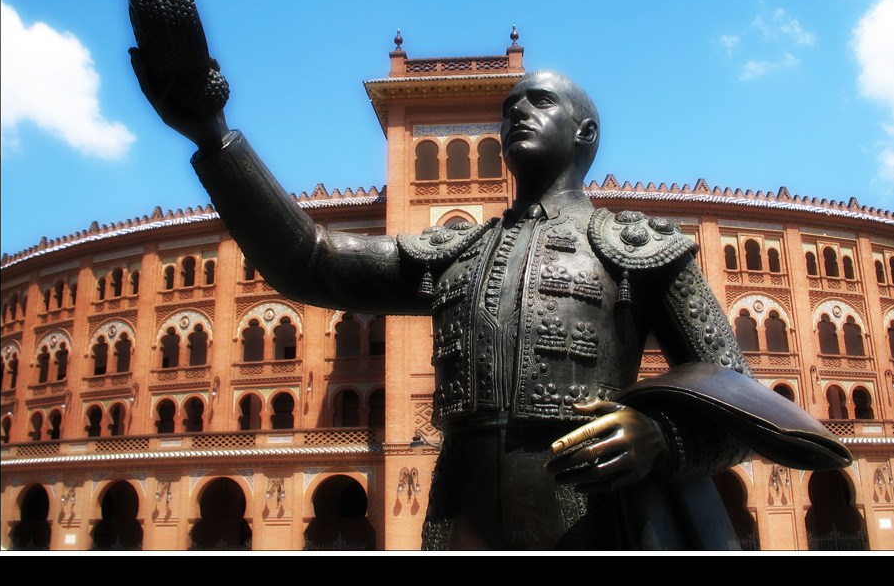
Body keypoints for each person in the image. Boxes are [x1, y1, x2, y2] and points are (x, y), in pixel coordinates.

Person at [133, 57, 851, 550]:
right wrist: (214, 137)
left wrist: (662, 438)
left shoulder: (637, 244)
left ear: (585, 133)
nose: (516, 114)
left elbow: (734, 390)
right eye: (509, 108)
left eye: (539, 102)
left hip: (593, 515)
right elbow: (311, 263)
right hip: (460, 512)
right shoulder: (458, 253)